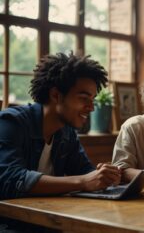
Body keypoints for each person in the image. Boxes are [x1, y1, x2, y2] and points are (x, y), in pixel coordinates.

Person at [0, 52, 121, 200]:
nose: (91, 107)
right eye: (84, 98)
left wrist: (104, 176)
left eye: (92, 99)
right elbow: (10, 179)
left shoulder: (66, 132)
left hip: (46, 218)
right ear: (56, 95)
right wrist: (83, 181)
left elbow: (85, 172)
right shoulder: (11, 122)